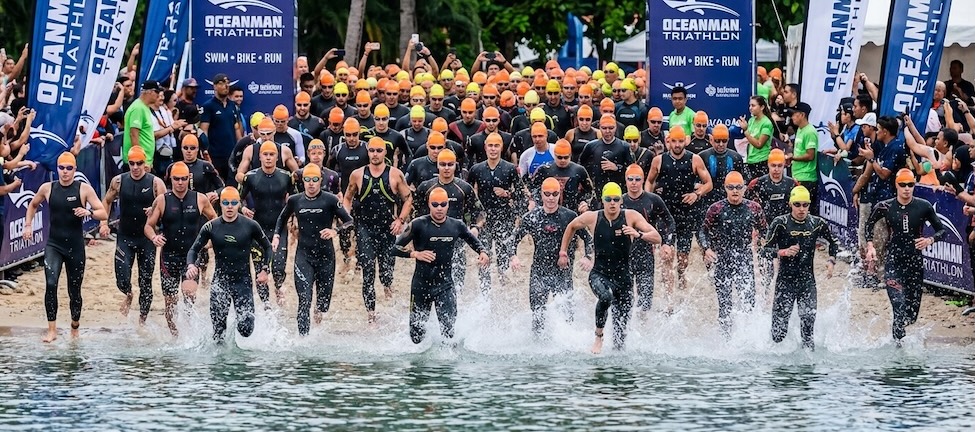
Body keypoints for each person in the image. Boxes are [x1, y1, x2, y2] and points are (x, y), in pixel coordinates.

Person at [560, 182, 661, 354]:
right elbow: (571, 226)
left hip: (624, 279)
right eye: (608, 199)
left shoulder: (631, 216)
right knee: (605, 297)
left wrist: (639, 234)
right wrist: (563, 251)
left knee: (620, 340)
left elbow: (657, 237)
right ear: (603, 200)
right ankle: (598, 336)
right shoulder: (592, 217)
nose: (612, 203)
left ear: (621, 201)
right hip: (599, 274)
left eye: (616, 199)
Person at [23, 152, 108, 342]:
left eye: (69, 168)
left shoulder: (83, 189)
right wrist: (28, 225)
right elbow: (33, 205)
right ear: (57, 169)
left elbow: (103, 213)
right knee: (51, 284)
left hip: (75, 247)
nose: (65, 172)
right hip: (54, 244)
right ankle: (52, 330)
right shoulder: (47, 188)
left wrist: (89, 212)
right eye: (62, 168)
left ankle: (74, 327)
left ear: (75, 170)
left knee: (74, 290)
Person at [392, 187, 490, 344]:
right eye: (435, 204)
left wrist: (483, 251)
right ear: (429, 204)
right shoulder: (418, 224)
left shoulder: (456, 225)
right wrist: (414, 254)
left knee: (449, 333)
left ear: (448, 205)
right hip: (421, 286)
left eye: (443, 204)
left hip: (445, 285)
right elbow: (393, 248)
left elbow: (472, 240)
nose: (439, 208)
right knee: (416, 338)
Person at [864, 169, 946, 344]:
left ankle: (898, 341)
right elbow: (868, 225)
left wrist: (930, 239)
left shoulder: (923, 206)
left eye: (910, 185)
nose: (907, 189)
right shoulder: (884, 206)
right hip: (893, 262)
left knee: (911, 315)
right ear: (896, 185)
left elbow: (942, 231)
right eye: (903, 185)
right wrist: (870, 245)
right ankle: (897, 355)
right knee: (899, 310)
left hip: (914, 264)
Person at [274, 164, 354, 335]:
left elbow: (349, 222)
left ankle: (319, 311)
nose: (311, 183)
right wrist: (276, 236)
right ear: (303, 181)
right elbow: (281, 219)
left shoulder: (330, 199)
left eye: (315, 179)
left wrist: (335, 231)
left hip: (326, 256)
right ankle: (304, 339)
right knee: (304, 299)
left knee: (323, 304)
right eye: (308, 179)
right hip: (304, 255)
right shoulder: (295, 200)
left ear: (321, 180)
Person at [187, 187, 272, 341]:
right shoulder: (211, 226)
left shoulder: (250, 225)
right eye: (226, 203)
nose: (230, 206)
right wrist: (191, 265)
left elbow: (268, 247)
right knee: (218, 333)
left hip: (243, 283)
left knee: (246, 329)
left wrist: (265, 270)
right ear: (221, 204)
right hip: (220, 283)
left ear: (239, 204)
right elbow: (194, 249)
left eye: (233, 202)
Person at [343, 137, 414, 323]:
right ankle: (371, 315)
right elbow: (348, 197)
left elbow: (408, 199)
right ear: (368, 151)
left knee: (386, 272)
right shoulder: (357, 174)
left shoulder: (395, 175)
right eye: (372, 150)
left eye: (379, 151)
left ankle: (387, 285)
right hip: (365, 228)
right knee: (368, 271)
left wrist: (400, 220)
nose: (375, 154)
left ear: (385, 153)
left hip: (387, 230)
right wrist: (347, 218)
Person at [144, 162, 218, 335]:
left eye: (184, 179)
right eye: (176, 179)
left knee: (189, 294)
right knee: (170, 302)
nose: (180, 183)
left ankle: (190, 331)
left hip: (191, 256)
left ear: (189, 179)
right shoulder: (162, 200)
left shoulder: (200, 199)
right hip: (168, 257)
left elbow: (215, 222)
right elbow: (148, 226)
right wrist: (154, 237)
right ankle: (175, 335)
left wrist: (208, 242)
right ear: (171, 179)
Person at [512, 178, 593, 335]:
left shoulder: (569, 216)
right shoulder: (531, 217)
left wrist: (588, 256)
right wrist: (513, 257)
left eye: (554, 194)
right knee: (537, 316)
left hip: (562, 273)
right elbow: (512, 241)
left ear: (559, 194)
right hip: (539, 272)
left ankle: (565, 348)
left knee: (566, 317)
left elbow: (588, 239)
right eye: (547, 194)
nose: (550, 198)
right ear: (541, 194)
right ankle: (538, 347)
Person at [762, 186, 838, 350]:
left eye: (805, 205)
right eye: (797, 204)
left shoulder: (816, 223)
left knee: (808, 332)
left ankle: (806, 372)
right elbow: (764, 251)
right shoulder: (780, 223)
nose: (801, 209)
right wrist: (783, 252)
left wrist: (831, 260)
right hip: (785, 282)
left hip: (807, 283)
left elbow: (833, 243)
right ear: (790, 204)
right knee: (778, 334)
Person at [645, 126, 713, 309]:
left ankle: (681, 276)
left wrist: (696, 195)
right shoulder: (659, 160)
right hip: (666, 214)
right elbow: (650, 181)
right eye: (673, 141)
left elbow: (709, 184)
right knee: (667, 254)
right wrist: (647, 201)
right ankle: (669, 298)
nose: (677, 145)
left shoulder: (694, 159)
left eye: (680, 141)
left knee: (683, 257)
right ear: (668, 141)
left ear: (686, 141)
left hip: (686, 214)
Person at [99, 147, 167, 324]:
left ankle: (142, 321)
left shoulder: (155, 183)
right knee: (121, 278)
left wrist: (154, 211)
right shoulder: (119, 181)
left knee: (146, 282)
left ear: (146, 164)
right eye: (132, 163)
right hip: (125, 237)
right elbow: (106, 201)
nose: (136, 167)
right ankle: (128, 294)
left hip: (147, 239)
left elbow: (166, 208)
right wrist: (103, 223)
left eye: (139, 163)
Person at [699, 171, 768, 336]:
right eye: (731, 187)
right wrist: (706, 248)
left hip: (744, 259)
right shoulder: (716, 208)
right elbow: (703, 232)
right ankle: (726, 339)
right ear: (725, 188)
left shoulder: (753, 208)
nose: (735, 191)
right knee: (725, 304)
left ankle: (748, 336)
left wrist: (768, 250)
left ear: (744, 188)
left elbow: (766, 232)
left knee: (749, 302)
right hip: (722, 260)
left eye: (738, 187)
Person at [415, 150, 485, 292]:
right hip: (430, 240)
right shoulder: (426, 187)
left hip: (456, 241)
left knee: (456, 285)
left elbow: (481, 213)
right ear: (437, 166)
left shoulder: (464, 188)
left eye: (450, 164)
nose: (446, 168)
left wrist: (475, 228)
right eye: (443, 164)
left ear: (455, 166)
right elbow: (416, 213)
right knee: (427, 283)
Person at [239, 142, 296, 308]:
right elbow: (238, 197)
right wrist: (243, 208)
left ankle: (278, 287)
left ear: (277, 157)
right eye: (265, 155)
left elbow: (295, 199)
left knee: (278, 267)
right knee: (260, 269)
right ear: (260, 157)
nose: (269, 158)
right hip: (258, 228)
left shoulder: (286, 176)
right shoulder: (251, 176)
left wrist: (293, 217)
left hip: (280, 228)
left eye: (272, 155)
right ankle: (265, 305)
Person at [468, 132, 527, 291]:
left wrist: (508, 195)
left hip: (505, 218)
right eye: (490, 146)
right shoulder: (476, 169)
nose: (493, 149)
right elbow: (468, 196)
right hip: (485, 220)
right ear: (485, 147)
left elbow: (521, 194)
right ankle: (484, 292)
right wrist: (472, 221)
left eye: (496, 146)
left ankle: (503, 287)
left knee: (504, 257)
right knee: (484, 256)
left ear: (501, 147)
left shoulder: (510, 169)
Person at [621, 164, 674, 315]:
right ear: (625, 181)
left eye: (637, 179)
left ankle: (642, 330)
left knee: (645, 301)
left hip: (645, 253)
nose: (634, 183)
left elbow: (669, 221)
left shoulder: (653, 200)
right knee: (625, 299)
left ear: (643, 180)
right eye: (630, 179)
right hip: (624, 255)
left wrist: (666, 243)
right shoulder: (619, 201)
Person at [746, 148, 798, 292]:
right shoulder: (758, 183)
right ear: (768, 165)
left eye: (779, 166)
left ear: (784, 166)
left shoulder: (791, 184)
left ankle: (783, 290)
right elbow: (749, 206)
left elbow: (800, 206)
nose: (776, 169)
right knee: (766, 265)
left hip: (784, 229)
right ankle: (766, 290)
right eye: (773, 165)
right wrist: (754, 228)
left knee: (786, 262)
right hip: (765, 229)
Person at [200, 73, 243, 184]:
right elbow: (204, 130)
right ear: (214, 86)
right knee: (217, 185)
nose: (226, 86)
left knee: (232, 186)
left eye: (227, 83)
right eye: (222, 83)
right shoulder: (208, 106)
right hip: (215, 155)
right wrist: (205, 151)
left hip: (231, 154)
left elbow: (237, 128)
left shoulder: (233, 106)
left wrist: (241, 147)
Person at [530, 140, 595, 213]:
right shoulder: (544, 169)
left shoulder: (579, 170)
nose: (563, 160)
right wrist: (536, 203)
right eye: (559, 157)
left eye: (566, 157)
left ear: (570, 155)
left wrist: (584, 202)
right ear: (554, 155)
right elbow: (533, 189)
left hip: (572, 211)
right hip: (548, 211)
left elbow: (590, 191)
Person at [579, 115, 631, 205]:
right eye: (604, 128)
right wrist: (587, 182)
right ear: (599, 128)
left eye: (611, 128)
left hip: (618, 192)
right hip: (597, 192)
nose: (607, 131)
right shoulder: (591, 146)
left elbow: (632, 170)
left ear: (616, 128)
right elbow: (580, 167)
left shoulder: (624, 147)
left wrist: (617, 168)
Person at [698, 124, 745, 208]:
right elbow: (694, 180)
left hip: (729, 200)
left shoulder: (736, 157)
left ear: (728, 140)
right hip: (708, 200)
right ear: (711, 140)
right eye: (717, 141)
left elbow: (744, 180)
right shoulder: (702, 156)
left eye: (724, 141)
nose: (721, 144)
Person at [123, 80, 163, 172]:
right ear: (149, 91)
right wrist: (139, 160)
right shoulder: (138, 108)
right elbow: (134, 134)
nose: (158, 95)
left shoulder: (144, 107)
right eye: (156, 92)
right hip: (138, 164)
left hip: (144, 162)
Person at [789, 102, 819, 212]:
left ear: (802, 115)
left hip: (807, 178)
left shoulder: (810, 132)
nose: (792, 117)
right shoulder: (800, 130)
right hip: (797, 176)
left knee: (804, 211)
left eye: (794, 114)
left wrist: (792, 158)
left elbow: (810, 155)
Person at [739, 96, 776, 179]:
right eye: (750, 105)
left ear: (762, 107)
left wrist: (746, 131)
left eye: (753, 105)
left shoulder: (766, 123)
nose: (750, 108)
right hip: (750, 160)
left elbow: (759, 144)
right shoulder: (751, 120)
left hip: (762, 161)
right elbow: (749, 141)